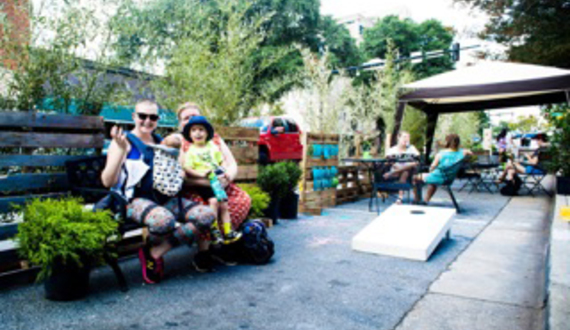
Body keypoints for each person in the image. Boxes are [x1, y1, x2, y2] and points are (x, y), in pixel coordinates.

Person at [101, 99, 216, 284]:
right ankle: (154, 254)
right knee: (164, 220)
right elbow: (107, 181)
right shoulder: (123, 142)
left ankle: (155, 252)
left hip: (164, 199)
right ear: (133, 117)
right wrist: (121, 151)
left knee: (207, 215)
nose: (147, 121)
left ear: (158, 119)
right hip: (133, 201)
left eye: (152, 117)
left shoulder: (161, 142)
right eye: (142, 116)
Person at [162, 102, 251, 271]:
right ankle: (204, 251)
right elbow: (181, 174)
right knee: (206, 209)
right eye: (186, 118)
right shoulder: (178, 141)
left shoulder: (214, 138)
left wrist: (227, 177)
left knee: (240, 200)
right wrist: (207, 182)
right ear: (180, 123)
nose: (191, 121)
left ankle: (222, 242)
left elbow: (231, 163)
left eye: (194, 117)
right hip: (193, 188)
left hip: (220, 184)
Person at [181, 115, 242, 245]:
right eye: (194, 130)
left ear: (207, 133)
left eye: (201, 130)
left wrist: (224, 172)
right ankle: (214, 231)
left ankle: (228, 232)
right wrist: (201, 174)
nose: (198, 133)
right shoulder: (191, 151)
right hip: (204, 184)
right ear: (190, 134)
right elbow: (187, 168)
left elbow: (221, 161)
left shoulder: (212, 146)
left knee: (224, 203)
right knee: (214, 202)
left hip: (217, 181)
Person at [414, 134, 472, 204]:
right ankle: (426, 200)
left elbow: (432, 168)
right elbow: (471, 153)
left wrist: (430, 170)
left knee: (414, 178)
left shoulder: (441, 153)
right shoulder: (462, 152)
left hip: (439, 176)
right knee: (433, 181)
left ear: (447, 142)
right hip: (448, 178)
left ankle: (417, 199)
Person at [382, 131, 420, 204]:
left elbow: (417, 160)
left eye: (408, 137)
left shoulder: (411, 148)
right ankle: (406, 197)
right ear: (398, 138)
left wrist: (394, 171)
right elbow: (389, 162)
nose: (406, 139)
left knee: (407, 170)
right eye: (404, 137)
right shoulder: (393, 150)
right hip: (396, 170)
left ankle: (400, 197)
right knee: (405, 171)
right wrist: (398, 168)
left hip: (407, 171)